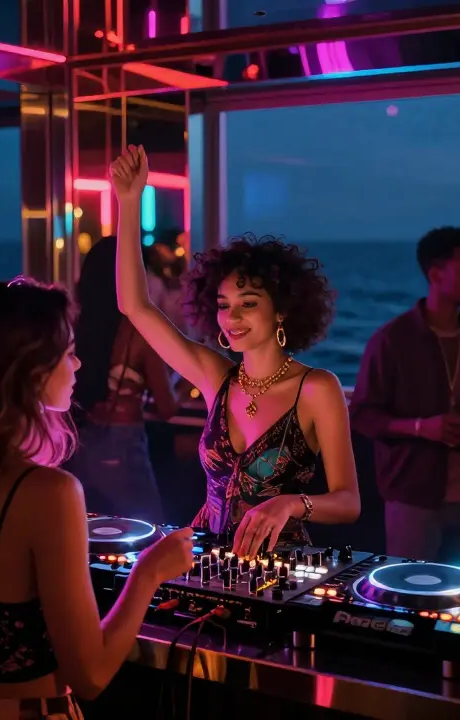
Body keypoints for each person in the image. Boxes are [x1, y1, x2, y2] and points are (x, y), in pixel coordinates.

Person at [0, 278, 195, 718]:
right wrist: (148, 572)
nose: (78, 364)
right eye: (68, 353)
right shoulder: (50, 493)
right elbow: (91, 676)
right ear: (29, 373)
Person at [111, 145, 361, 557]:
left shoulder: (317, 388)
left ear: (281, 310)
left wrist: (291, 503)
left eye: (248, 303)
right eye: (224, 305)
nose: (233, 317)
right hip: (206, 559)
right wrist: (129, 201)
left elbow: (348, 502)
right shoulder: (217, 378)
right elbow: (135, 306)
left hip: (281, 567)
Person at [351, 226, 460, 569]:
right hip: (413, 498)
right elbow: (362, 415)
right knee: (409, 591)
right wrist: (422, 427)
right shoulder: (392, 340)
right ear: (436, 275)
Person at [66, 235, 178, 522]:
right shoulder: (138, 332)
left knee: (89, 527)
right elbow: (167, 407)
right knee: (146, 528)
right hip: (125, 445)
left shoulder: (73, 326)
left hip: (79, 443)